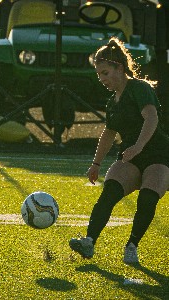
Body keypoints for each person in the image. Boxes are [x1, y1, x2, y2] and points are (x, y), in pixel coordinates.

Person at [69, 37, 169, 264]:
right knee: (109, 193)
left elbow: (151, 117)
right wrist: (96, 164)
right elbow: (109, 133)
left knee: (147, 198)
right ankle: (89, 242)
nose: (101, 79)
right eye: (98, 74)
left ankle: (132, 246)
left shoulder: (139, 88)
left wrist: (138, 146)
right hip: (131, 155)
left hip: (159, 155)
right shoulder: (112, 101)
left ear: (120, 68)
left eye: (105, 73)